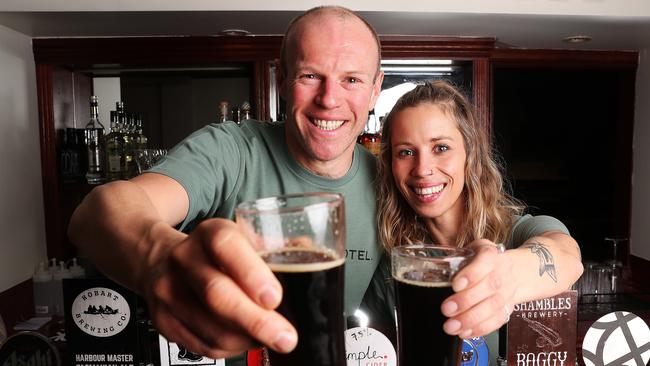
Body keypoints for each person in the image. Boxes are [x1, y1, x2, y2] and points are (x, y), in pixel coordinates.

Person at [68, 5, 384, 364]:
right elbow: (93, 214)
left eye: (352, 79)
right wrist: (156, 257)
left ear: (375, 89)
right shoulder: (231, 150)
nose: (329, 99)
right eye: (310, 76)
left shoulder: (389, 183)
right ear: (281, 79)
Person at [363, 80, 583, 363]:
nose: (422, 169)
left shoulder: (513, 232)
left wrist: (505, 275)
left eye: (440, 147)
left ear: (471, 154)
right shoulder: (397, 264)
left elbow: (566, 254)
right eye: (406, 152)